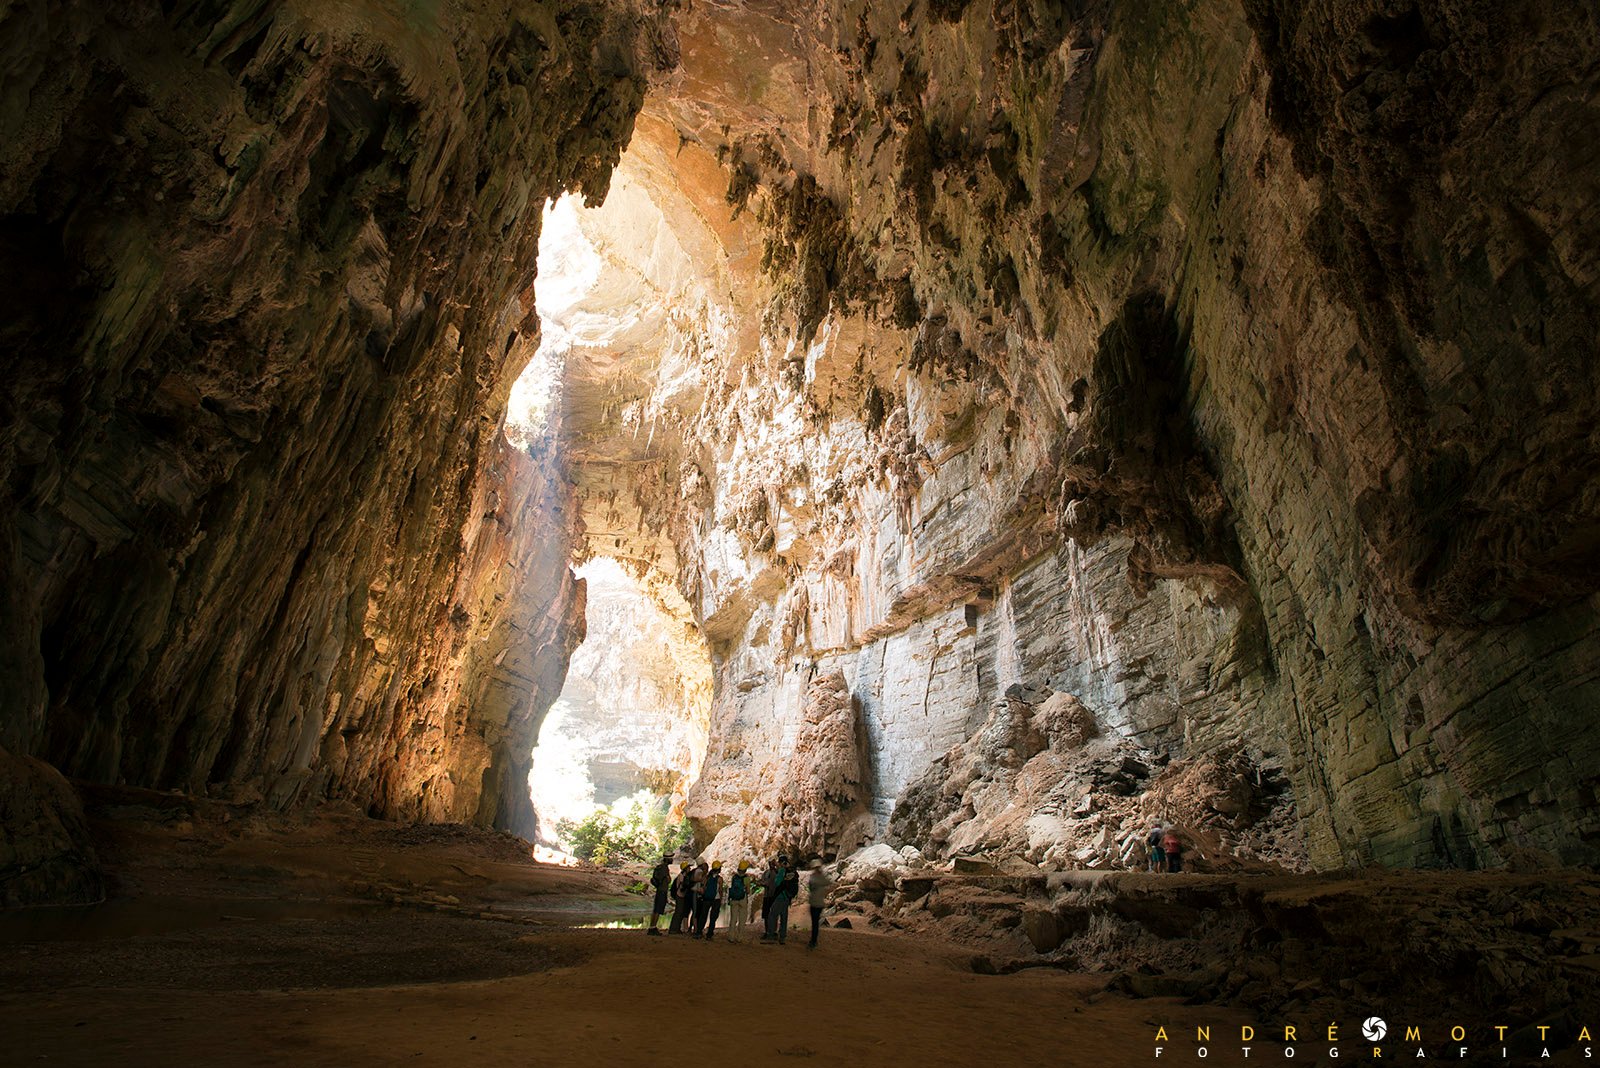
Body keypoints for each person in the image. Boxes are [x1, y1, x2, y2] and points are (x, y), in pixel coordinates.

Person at [763, 852, 797, 945]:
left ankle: (771, 935)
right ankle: (782, 937)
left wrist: (778, 873)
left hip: (780, 897)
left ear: (781, 862)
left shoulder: (782, 870)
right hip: (787, 897)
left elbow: (777, 883)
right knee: (784, 917)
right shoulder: (791, 871)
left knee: (772, 916)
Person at [805, 858, 835, 950]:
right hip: (817, 903)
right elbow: (829, 882)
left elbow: (811, 887)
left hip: (815, 903)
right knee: (815, 923)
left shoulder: (814, 877)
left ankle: (813, 941)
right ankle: (813, 940)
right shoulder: (821, 877)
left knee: (814, 923)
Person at [726, 860, 753, 941]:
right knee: (742, 919)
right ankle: (739, 937)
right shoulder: (746, 878)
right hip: (742, 899)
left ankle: (731, 937)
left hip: (734, 899)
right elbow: (748, 890)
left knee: (733, 918)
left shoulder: (734, 877)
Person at [647, 853, 671, 935]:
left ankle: (652, 926)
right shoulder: (664, 868)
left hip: (659, 890)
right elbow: (667, 880)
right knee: (658, 909)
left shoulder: (660, 867)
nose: (672, 859)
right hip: (662, 891)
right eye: (671, 858)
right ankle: (653, 928)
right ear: (668, 859)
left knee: (656, 909)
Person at [700, 860, 725, 939]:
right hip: (716, 899)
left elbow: (703, 887)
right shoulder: (719, 879)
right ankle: (709, 934)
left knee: (703, 915)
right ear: (719, 869)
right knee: (713, 918)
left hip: (707, 898)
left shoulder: (707, 877)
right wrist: (721, 899)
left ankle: (699, 932)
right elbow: (720, 890)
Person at [668, 861, 694, 934]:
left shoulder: (683, 875)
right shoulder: (682, 876)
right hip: (680, 895)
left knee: (680, 912)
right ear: (685, 868)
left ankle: (677, 928)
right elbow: (682, 886)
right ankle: (673, 929)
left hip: (681, 895)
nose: (690, 868)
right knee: (678, 912)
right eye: (688, 867)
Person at [689, 860, 710, 936]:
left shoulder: (696, 871)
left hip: (697, 893)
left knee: (696, 911)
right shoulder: (699, 871)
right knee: (696, 912)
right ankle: (695, 929)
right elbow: (697, 881)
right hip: (696, 893)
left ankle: (694, 928)